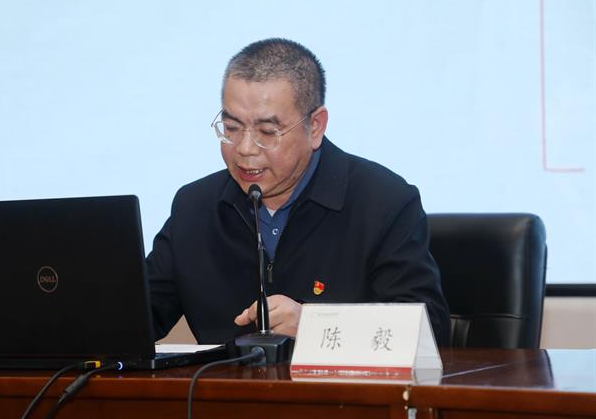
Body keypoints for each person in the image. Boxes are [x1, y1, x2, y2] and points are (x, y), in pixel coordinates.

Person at [146, 38, 450, 346]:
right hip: (226, 379)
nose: (245, 149)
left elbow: (428, 333)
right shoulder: (194, 207)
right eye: (232, 128)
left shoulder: (383, 202)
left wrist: (313, 325)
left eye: (267, 132)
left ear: (315, 126)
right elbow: (138, 317)